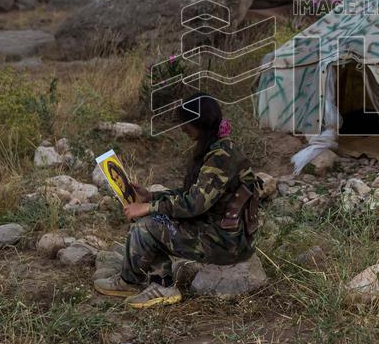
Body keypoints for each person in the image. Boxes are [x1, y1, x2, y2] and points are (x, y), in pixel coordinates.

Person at [94, 93, 261, 308]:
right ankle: (157, 281)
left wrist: (148, 207)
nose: (182, 128)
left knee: (149, 224)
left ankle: (138, 282)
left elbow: (194, 204)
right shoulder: (218, 148)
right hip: (222, 235)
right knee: (155, 220)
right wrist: (152, 196)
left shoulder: (220, 157)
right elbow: (193, 194)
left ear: (198, 123)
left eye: (186, 123)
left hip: (226, 243)